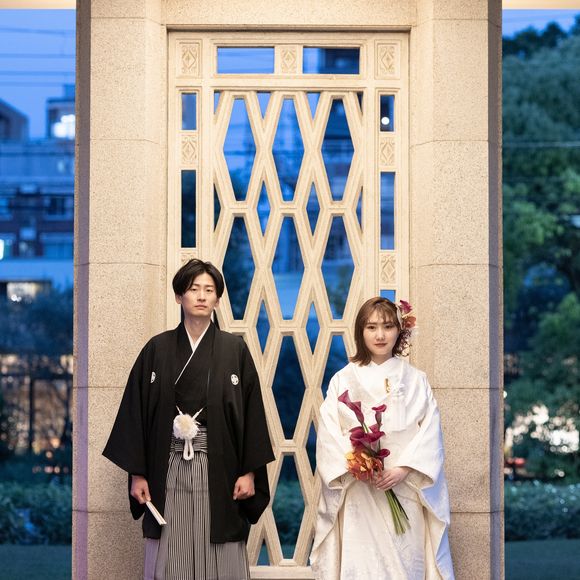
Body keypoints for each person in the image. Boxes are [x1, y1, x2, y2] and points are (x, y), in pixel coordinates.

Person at [103, 259, 274, 580]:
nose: (201, 296)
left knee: (219, 543)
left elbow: (252, 413)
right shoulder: (157, 349)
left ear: (218, 299)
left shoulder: (234, 350)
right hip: (168, 464)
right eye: (194, 289)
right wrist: (138, 474)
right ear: (179, 295)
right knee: (173, 545)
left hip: (220, 465)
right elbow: (135, 413)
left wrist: (249, 471)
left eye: (209, 290)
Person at [311, 297, 454, 579]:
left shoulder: (416, 379)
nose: (380, 335)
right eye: (371, 327)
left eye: (388, 327)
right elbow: (329, 433)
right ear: (360, 332)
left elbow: (430, 432)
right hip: (359, 490)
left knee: (405, 563)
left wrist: (404, 469)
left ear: (399, 330)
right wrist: (359, 466)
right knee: (362, 564)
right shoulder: (343, 379)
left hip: (404, 487)